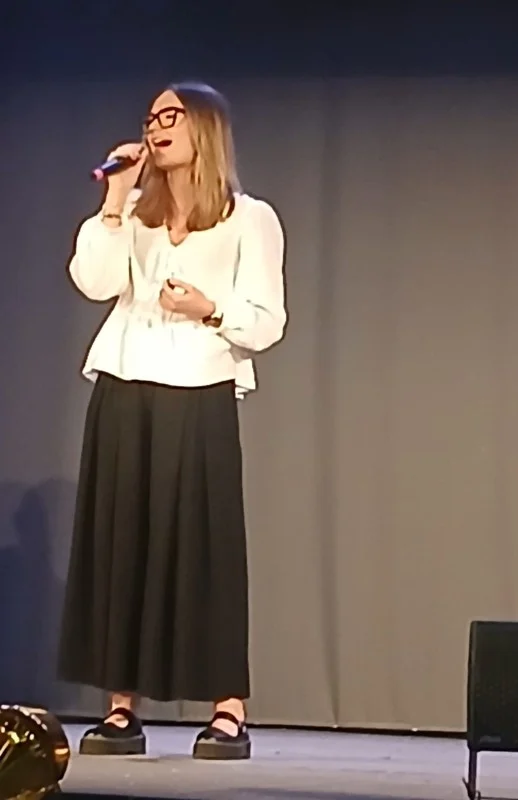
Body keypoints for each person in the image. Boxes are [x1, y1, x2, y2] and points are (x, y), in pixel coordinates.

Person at [56, 81, 287, 760]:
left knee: (202, 547)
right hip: (126, 383)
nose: (155, 127)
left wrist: (208, 309)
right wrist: (113, 200)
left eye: (170, 116)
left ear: (204, 129)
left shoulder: (249, 218)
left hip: (200, 387)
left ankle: (227, 709)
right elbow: (94, 283)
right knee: (121, 539)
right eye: (151, 117)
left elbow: (267, 321)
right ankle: (120, 706)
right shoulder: (133, 214)